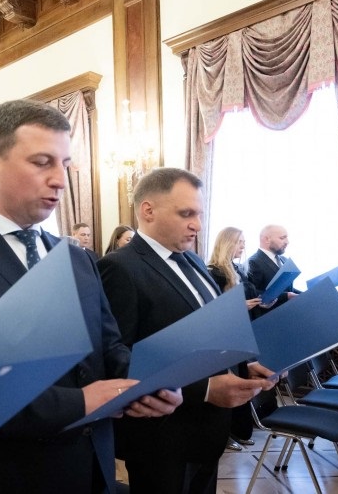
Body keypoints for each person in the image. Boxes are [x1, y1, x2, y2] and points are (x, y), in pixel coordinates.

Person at [0, 99, 181, 494]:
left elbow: (108, 346)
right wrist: (79, 403)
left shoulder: (76, 257)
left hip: (93, 465)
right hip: (10, 473)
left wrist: (150, 383)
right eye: (42, 162)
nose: (60, 180)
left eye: (64, 164)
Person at [99, 167, 277, 494]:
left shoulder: (193, 261)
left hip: (209, 430)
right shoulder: (119, 267)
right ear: (148, 210)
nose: (197, 224)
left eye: (199, 214)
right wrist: (204, 389)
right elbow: (119, 358)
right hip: (163, 437)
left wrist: (243, 365)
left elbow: (212, 330)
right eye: (186, 214)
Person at [205, 226, 263, 451]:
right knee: (229, 382)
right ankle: (226, 434)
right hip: (223, 337)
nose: (243, 246)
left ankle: (239, 431)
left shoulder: (237, 269)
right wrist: (240, 306)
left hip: (240, 332)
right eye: (239, 242)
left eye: (244, 242)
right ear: (227, 243)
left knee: (240, 379)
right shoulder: (214, 272)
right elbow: (211, 309)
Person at [245, 224, 299, 309]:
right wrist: (285, 296)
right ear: (267, 239)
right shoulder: (252, 262)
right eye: (282, 238)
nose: (287, 242)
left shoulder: (284, 259)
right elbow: (252, 293)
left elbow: (288, 289)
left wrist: (305, 293)